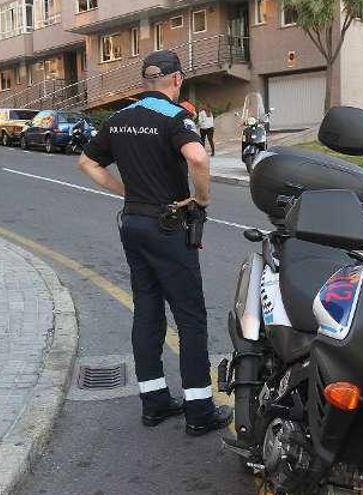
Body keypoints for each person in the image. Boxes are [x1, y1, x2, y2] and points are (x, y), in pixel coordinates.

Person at [78, 50, 232, 436]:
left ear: (145, 82)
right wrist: (201, 199)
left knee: (147, 310)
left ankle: (155, 402)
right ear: (177, 80)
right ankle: (199, 409)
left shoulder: (118, 119)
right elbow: (197, 158)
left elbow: (87, 162)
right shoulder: (176, 117)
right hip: (167, 226)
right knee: (190, 316)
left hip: (133, 222)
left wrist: (126, 190)